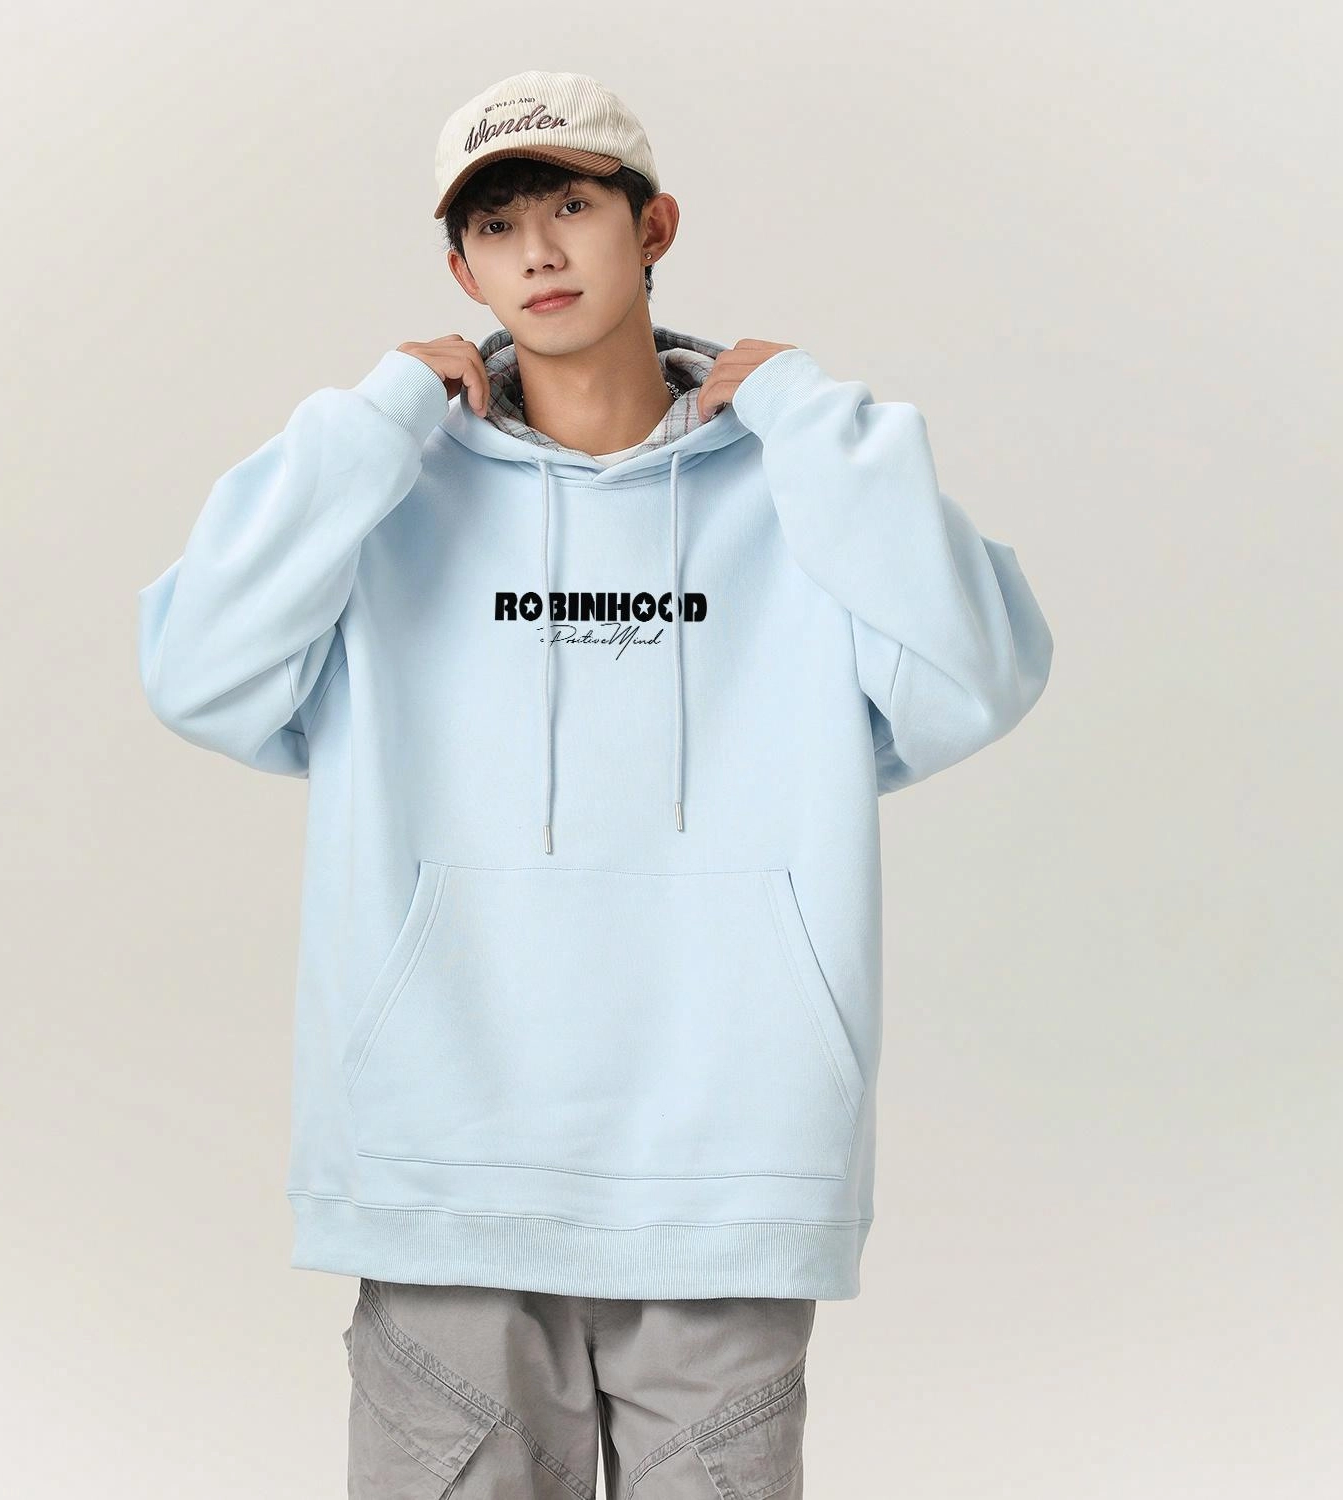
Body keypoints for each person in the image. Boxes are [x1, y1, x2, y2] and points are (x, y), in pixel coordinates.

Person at [136, 67, 1053, 1499]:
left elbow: (976, 676)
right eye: (497, 227)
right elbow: (200, 672)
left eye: (571, 207)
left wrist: (814, 423)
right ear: (462, 271)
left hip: (729, 1166)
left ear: (654, 226)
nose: (540, 252)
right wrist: (371, 424)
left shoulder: (800, 489)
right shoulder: (386, 495)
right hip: (444, 1164)